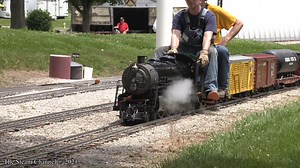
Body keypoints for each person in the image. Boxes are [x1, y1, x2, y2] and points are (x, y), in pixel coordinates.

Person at [152, 0, 219, 101]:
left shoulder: (209, 16)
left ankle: (210, 88)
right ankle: (153, 81)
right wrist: (174, 48)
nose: (190, 1)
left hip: (200, 48)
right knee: (160, 51)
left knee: (213, 52)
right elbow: (175, 33)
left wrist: (204, 52)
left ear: (200, 0)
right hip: (183, 47)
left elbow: (207, 35)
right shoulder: (180, 16)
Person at [201, 0, 243, 97]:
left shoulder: (216, 11)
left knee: (222, 51)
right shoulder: (188, 12)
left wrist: (225, 40)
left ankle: (221, 87)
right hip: (193, 45)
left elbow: (238, 23)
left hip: (212, 45)